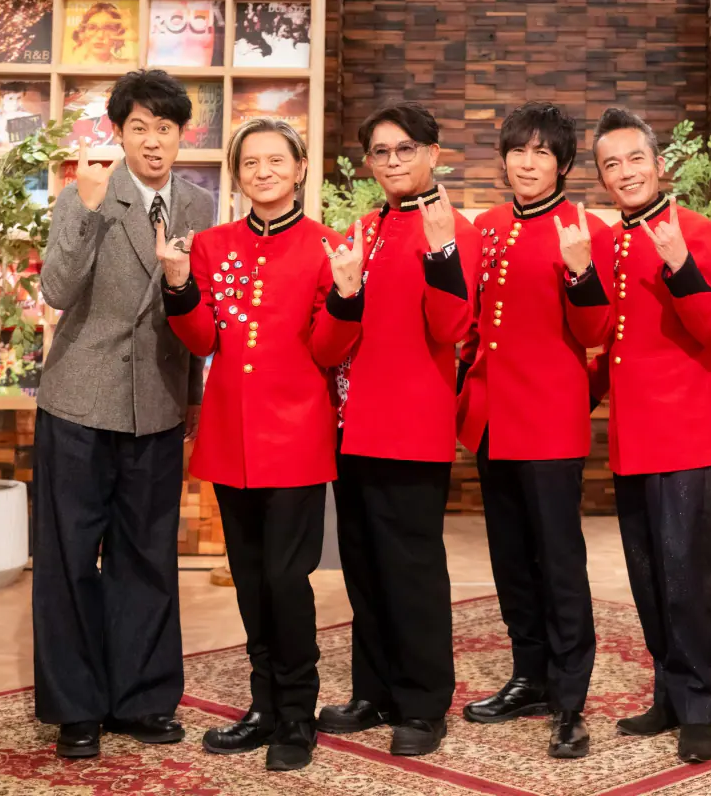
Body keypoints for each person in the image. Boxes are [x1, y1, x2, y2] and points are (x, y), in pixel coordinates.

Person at [160, 118, 364, 771]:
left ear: (300, 169)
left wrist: (348, 293)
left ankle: (297, 715)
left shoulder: (328, 246)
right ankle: (264, 707)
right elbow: (202, 339)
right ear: (238, 174)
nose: (264, 171)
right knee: (250, 579)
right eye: (251, 162)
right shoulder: (211, 245)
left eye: (277, 160)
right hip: (232, 435)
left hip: (296, 437)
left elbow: (328, 350)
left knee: (284, 579)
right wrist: (177, 283)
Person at [33, 69, 215, 759]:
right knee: (70, 558)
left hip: (158, 404)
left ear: (182, 134)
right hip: (80, 400)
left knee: (147, 555)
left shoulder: (199, 205)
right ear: (118, 132)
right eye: (138, 127)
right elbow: (57, 289)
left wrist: (193, 395)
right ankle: (77, 708)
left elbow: (194, 309)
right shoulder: (86, 192)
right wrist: (83, 209)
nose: (153, 140)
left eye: (165, 127)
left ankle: (141, 698)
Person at [315, 102, 482, 757]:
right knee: (364, 566)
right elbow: (336, 337)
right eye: (380, 152)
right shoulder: (362, 229)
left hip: (411, 426)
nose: (392, 162)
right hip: (352, 424)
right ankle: (374, 690)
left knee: (411, 570)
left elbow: (451, 329)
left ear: (433, 153)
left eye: (405, 149)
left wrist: (442, 254)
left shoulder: (454, 230)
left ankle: (422, 702)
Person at [456, 102, 613, 759]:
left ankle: (570, 700)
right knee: (512, 559)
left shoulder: (586, 230)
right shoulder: (486, 227)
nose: (527, 162)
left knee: (559, 563)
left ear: (564, 164)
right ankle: (529, 677)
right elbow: (470, 321)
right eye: (518, 150)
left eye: (542, 152)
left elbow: (596, 330)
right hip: (493, 416)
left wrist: (580, 271)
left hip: (549, 419)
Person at [588, 108, 711, 764]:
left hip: (685, 431)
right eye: (611, 165)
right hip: (631, 433)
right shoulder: (606, 244)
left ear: (658, 163)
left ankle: (699, 703)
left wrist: (679, 266)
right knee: (647, 576)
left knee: (684, 576)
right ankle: (669, 693)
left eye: (635, 159)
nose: (625, 173)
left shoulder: (696, 231)